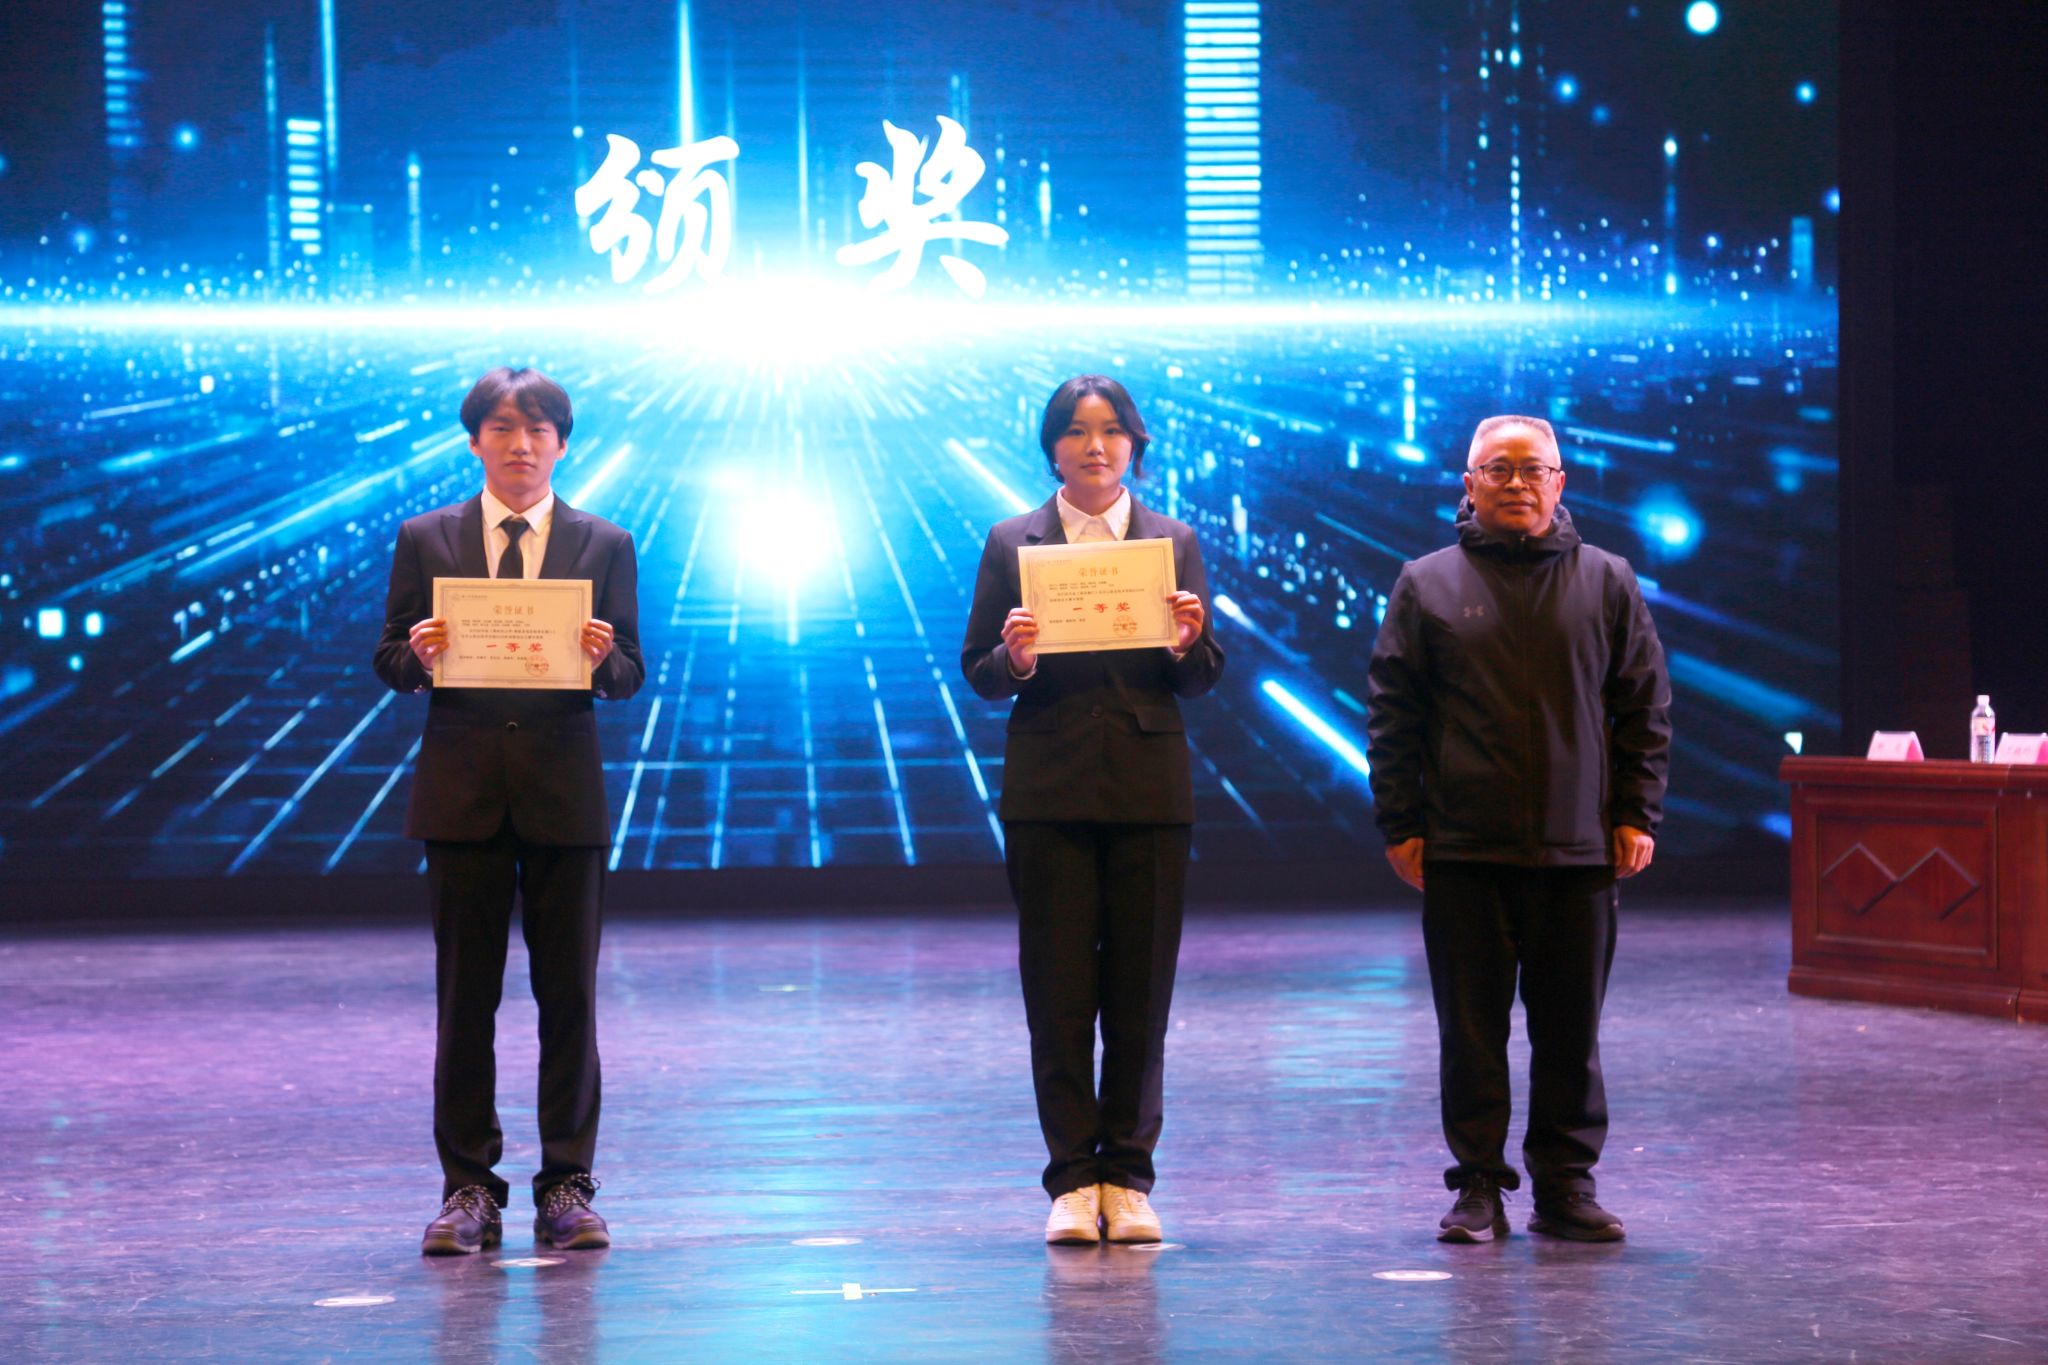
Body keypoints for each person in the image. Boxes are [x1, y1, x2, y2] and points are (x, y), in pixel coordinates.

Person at [1365, 414, 1670, 1244]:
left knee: (1571, 1033)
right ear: (1468, 485)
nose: (1516, 482)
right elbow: (1393, 715)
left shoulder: (1607, 579)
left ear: (1559, 482)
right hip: (1463, 847)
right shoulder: (1426, 582)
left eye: (1533, 469)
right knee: (1471, 1034)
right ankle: (1477, 1186)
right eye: (1496, 469)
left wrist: (1636, 811)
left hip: (1579, 848)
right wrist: (1400, 822)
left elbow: (1644, 705)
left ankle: (1565, 1184)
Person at [373, 367, 644, 1255]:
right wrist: (418, 653)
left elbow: (630, 673)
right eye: (501, 427)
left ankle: (567, 1184)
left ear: (562, 444)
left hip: (564, 797)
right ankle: (468, 1190)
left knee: (570, 999)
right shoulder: (427, 537)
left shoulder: (605, 543)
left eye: (537, 430)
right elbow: (389, 656)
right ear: (475, 441)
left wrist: (601, 658)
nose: (520, 445)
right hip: (462, 797)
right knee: (465, 1002)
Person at [961, 375, 1225, 1246]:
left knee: (1141, 993)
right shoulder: (1014, 541)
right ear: (1053, 448)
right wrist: (1016, 657)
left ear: (1134, 446)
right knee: (1060, 993)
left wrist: (1186, 642)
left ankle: (1130, 1177)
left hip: (1149, 789)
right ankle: (1074, 1178)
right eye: (1077, 431)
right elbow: (979, 669)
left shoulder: (1172, 541)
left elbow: (1202, 674)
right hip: (1049, 789)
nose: (1096, 446)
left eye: (1112, 430)